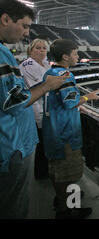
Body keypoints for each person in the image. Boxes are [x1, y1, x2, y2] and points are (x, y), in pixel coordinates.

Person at [0, 0, 69, 219]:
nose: (26, 32)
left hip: (14, 142)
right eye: (25, 26)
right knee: (14, 208)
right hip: (12, 145)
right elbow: (13, 101)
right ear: (5, 19)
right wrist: (48, 85)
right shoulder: (3, 54)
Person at [42, 39, 99, 219]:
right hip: (66, 133)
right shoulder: (65, 74)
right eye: (75, 54)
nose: (78, 56)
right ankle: (69, 209)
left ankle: (61, 200)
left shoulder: (50, 72)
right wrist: (88, 98)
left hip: (53, 131)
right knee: (70, 176)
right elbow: (70, 102)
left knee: (57, 172)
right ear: (65, 56)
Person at [19, 38, 51, 180]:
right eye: (37, 48)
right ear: (30, 50)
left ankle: (44, 169)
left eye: (44, 48)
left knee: (45, 142)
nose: (41, 50)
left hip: (46, 108)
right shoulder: (27, 65)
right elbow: (41, 87)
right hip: (35, 108)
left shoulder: (45, 64)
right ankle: (41, 173)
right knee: (41, 144)